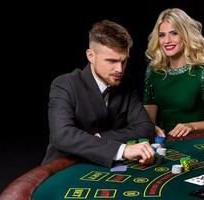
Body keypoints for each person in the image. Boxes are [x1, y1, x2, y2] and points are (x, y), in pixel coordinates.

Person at [42, 20, 155, 168]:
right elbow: (63, 136)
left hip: (107, 168)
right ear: (91, 56)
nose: (119, 69)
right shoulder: (65, 84)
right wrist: (122, 149)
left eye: (123, 61)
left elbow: (146, 128)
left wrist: (100, 137)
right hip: (64, 167)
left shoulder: (126, 83)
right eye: (111, 61)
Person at [143, 8, 204, 138]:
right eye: (162, 35)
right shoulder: (153, 72)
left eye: (174, 33)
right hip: (164, 143)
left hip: (197, 141)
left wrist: (191, 126)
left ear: (186, 35)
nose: (167, 40)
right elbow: (149, 119)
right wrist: (151, 128)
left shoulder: (203, 74)